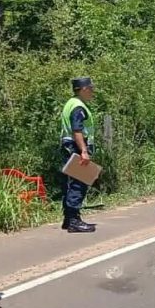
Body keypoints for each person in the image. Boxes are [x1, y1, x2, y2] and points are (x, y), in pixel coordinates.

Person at [60, 77, 97, 233]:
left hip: (69, 146)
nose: (92, 92)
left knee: (71, 183)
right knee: (79, 183)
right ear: (83, 89)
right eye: (91, 89)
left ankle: (69, 219)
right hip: (76, 147)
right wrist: (83, 151)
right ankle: (74, 221)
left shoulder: (71, 103)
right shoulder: (78, 107)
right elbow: (77, 130)